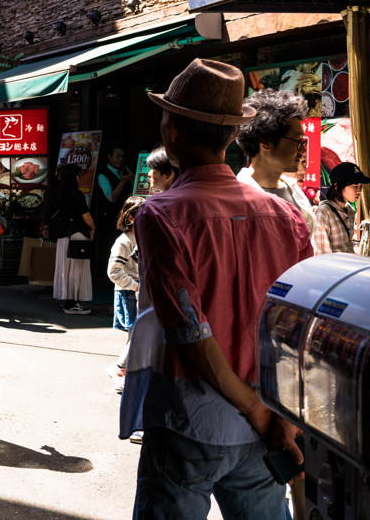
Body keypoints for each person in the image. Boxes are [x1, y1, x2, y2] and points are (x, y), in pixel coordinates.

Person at [125, 59, 311, 518]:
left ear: (173, 133)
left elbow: (190, 332)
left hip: (194, 419)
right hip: (267, 419)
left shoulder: (161, 214)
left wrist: (258, 409)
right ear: (232, 136)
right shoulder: (286, 216)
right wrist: (276, 415)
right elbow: (302, 325)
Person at [235, 88, 315, 232]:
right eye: (297, 141)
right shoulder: (237, 199)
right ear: (265, 142)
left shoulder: (294, 190)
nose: (302, 150)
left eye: (303, 142)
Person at [40, 163, 95, 314]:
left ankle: (67, 300)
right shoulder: (75, 194)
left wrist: (45, 228)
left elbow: (45, 211)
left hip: (62, 235)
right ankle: (71, 303)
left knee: (65, 268)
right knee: (76, 270)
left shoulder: (53, 191)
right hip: (76, 234)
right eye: (78, 175)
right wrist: (93, 228)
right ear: (74, 177)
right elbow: (86, 216)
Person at [105, 196, 145, 393]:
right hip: (129, 293)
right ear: (130, 218)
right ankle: (120, 368)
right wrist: (136, 286)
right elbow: (114, 271)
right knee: (137, 332)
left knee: (137, 333)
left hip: (138, 291)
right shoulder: (124, 241)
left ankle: (127, 371)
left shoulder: (142, 238)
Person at [312, 162, 369, 255]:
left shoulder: (350, 210)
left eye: (360, 186)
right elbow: (322, 253)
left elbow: (348, 246)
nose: (359, 191)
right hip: (335, 267)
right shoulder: (323, 212)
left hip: (349, 264)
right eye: (354, 186)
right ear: (337, 186)